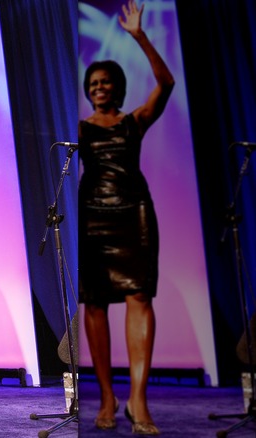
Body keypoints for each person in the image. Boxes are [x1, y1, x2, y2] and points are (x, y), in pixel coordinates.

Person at [79, 1, 174, 435]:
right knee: (95, 305)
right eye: (94, 83)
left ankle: (139, 398)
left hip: (133, 215)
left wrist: (138, 35)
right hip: (91, 219)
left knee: (139, 297)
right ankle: (106, 397)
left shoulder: (135, 120)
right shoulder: (79, 127)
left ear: (117, 88)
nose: (99, 87)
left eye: (106, 82)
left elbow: (167, 82)